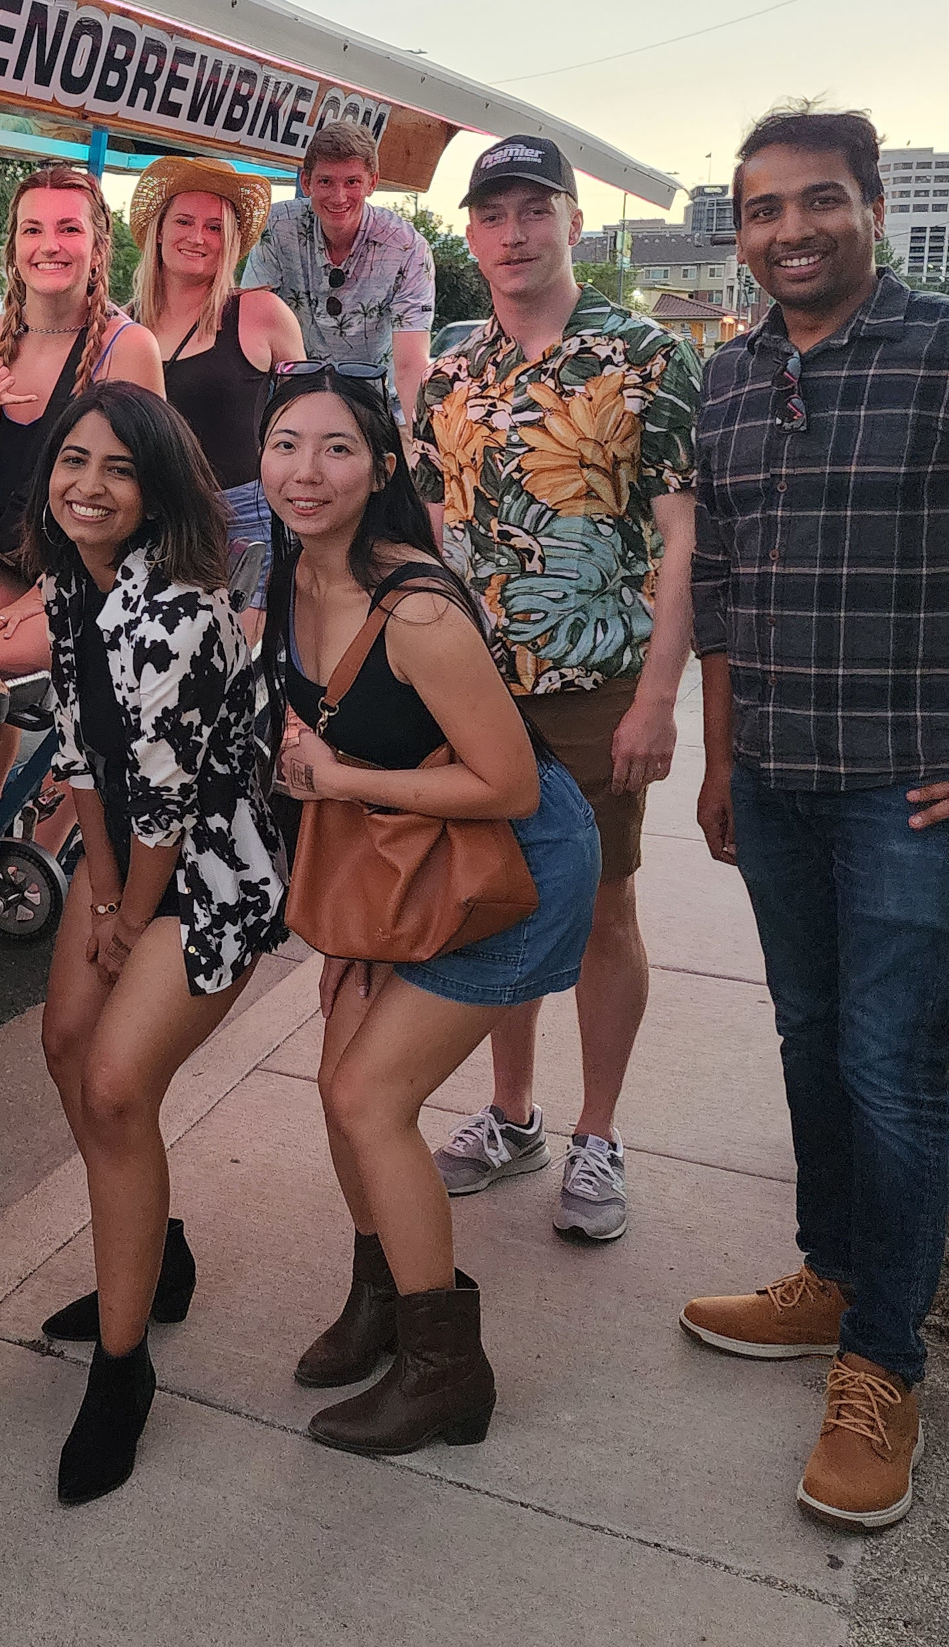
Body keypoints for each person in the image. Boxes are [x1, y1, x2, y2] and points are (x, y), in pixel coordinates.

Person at [681, 107, 949, 1534]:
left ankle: (883, 1361)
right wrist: (720, 757)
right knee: (808, 1037)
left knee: (891, 1069)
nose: (792, 229)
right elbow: (719, 584)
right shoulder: (729, 376)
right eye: (764, 209)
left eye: (820, 200)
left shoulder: (940, 351)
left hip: (906, 787)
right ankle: (836, 1273)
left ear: (869, 209)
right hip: (776, 780)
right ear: (741, 230)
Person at [261, 365, 599, 1457]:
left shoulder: (413, 607)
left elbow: (508, 784)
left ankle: (444, 1370)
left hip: (513, 869)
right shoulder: (289, 572)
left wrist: (337, 778)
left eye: (336, 448)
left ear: (381, 468)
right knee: (338, 1083)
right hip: (415, 860)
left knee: (370, 1096)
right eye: (284, 443)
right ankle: (383, 1297)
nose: (305, 471)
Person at [411, 135, 702, 1243]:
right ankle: (512, 1114)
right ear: (471, 232)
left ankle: (598, 1133)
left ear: (573, 222)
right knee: (499, 897)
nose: (513, 233)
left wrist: (656, 698)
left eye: (535, 209)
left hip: (595, 683)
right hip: (473, 691)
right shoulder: (451, 362)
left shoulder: (644, 356)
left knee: (603, 908)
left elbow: (683, 537)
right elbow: (431, 527)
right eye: (492, 214)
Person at [28, 381, 285, 1504]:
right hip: (125, 859)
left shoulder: (176, 610)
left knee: (116, 1086)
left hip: (210, 868)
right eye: (72, 460)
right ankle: (154, 1255)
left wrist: (129, 922)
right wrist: (95, 899)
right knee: (63, 1045)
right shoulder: (66, 583)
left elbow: (171, 801)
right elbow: (79, 750)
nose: (88, 485)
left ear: (157, 489)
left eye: (118, 470)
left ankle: (123, 1369)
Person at [0, 164, 163, 835]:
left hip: (95, 575)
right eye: (33, 229)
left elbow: (141, 502)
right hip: (0, 559)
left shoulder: (127, 348)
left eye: (69, 229)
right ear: (14, 246)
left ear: (98, 247)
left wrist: (41, 593)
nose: (50, 244)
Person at [125, 154, 304, 577]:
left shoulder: (261, 311)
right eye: (184, 221)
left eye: (214, 227)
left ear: (231, 241)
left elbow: (307, 418)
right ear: (160, 231)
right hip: (147, 523)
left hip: (244, 524)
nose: (197, 237)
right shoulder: (123, 324)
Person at [240, 120, 434, 417]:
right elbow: (253, 315)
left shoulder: (407, 248)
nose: (339, 196)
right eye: (326, 182)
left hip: (375, 406)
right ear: (306, 182)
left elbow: (410, 363)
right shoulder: (278, 228)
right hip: (292, 399)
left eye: (352, 182)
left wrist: (419, 437)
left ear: (372, 183)